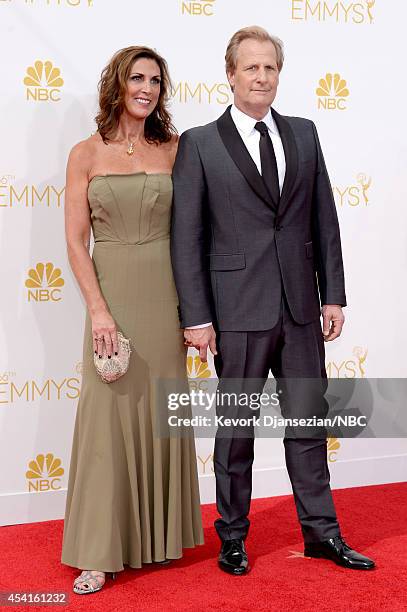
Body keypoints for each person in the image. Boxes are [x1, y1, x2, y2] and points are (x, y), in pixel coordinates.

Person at [171, 26, 375, 575]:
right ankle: (233, 538)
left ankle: (322, 535)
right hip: (235, 312)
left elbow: (323, 219)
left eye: (270, 68)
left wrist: (332, 294)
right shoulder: (200, 143)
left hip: (301, 310)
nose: (261, 76)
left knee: (309, 424)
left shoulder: (304, 134)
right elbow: (186, 237)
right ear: (231, 74)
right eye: (251, 67)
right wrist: (197, 316)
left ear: (278, 74)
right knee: (235, 432)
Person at [61, 46, 204, 595]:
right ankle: (99, 550)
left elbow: (192, 235)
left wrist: (197, 313)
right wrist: (98, 310)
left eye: (155, 80)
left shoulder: (175, 149)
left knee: (160, 415)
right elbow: (76, 241)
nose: (147, 87)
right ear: (118, 85)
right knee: (107, 420)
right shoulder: (84, 154)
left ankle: (154, 539)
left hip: (166, 295)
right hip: (112, 290)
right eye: (137, 78)